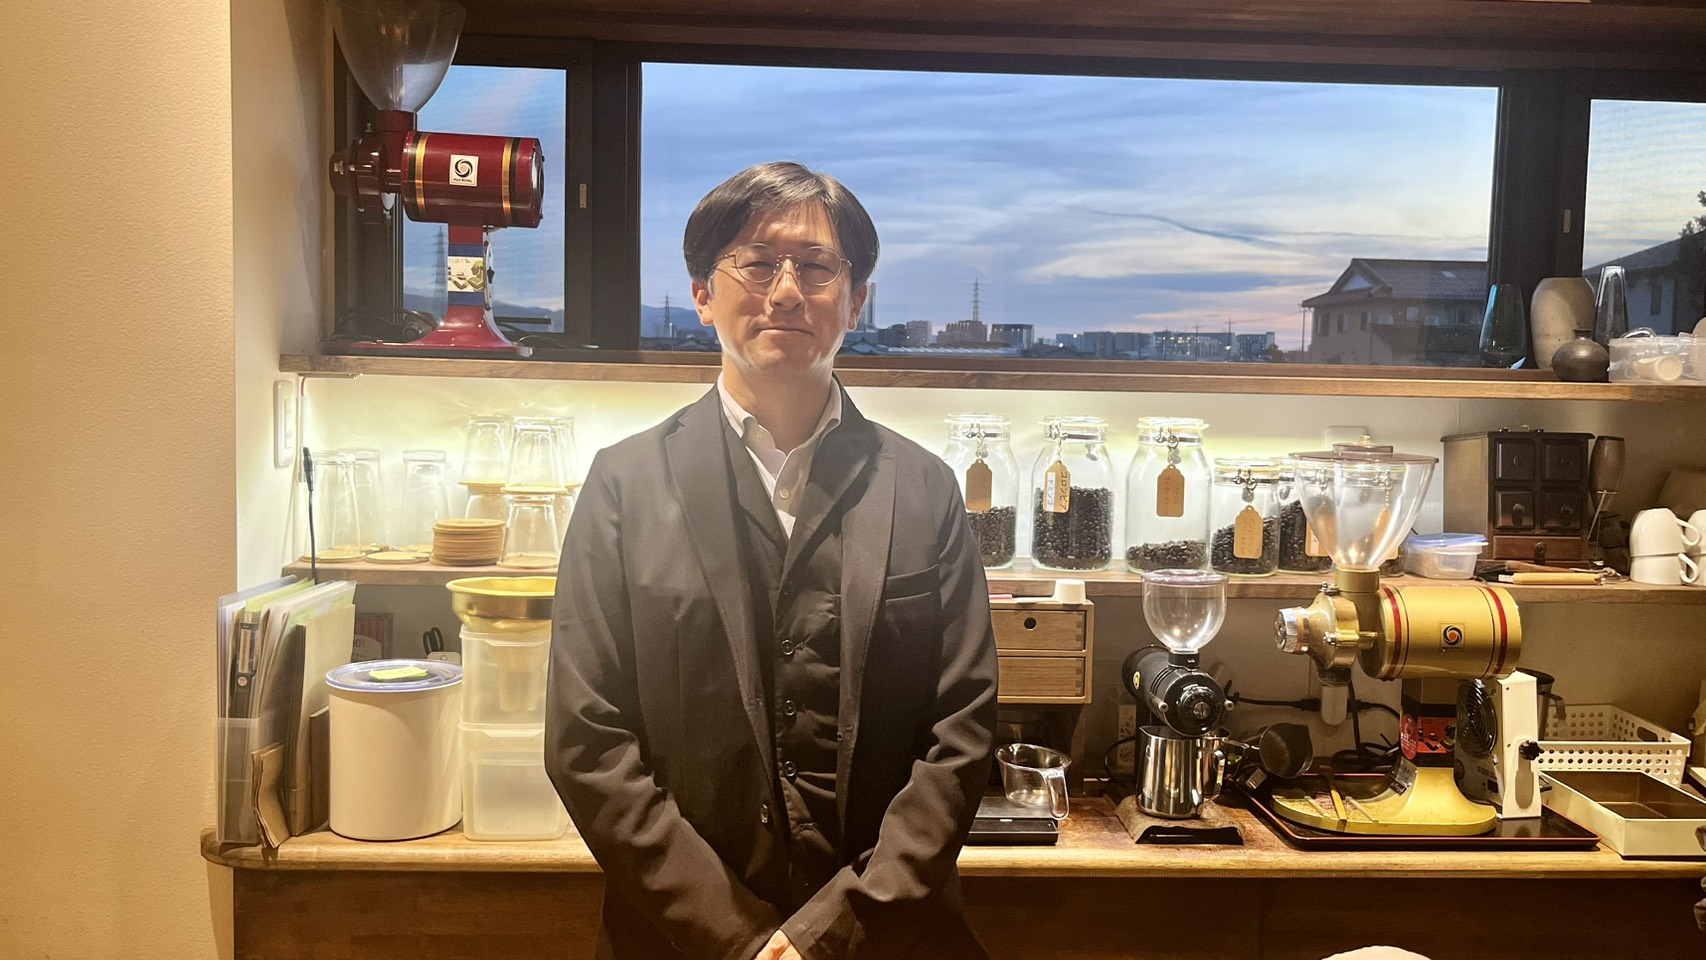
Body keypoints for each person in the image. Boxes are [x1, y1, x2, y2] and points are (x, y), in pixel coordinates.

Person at [546, 161, 999, 960]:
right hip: (681, 941)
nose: (786, 291)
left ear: (856, 301)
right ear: (702, 293)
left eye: (817, 267)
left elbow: (961, 731)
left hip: (887, 936)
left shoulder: (924, 486)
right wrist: (736, 938)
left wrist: (836, 932)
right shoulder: (624, 484)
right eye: (756, 263)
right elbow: (587, 739)